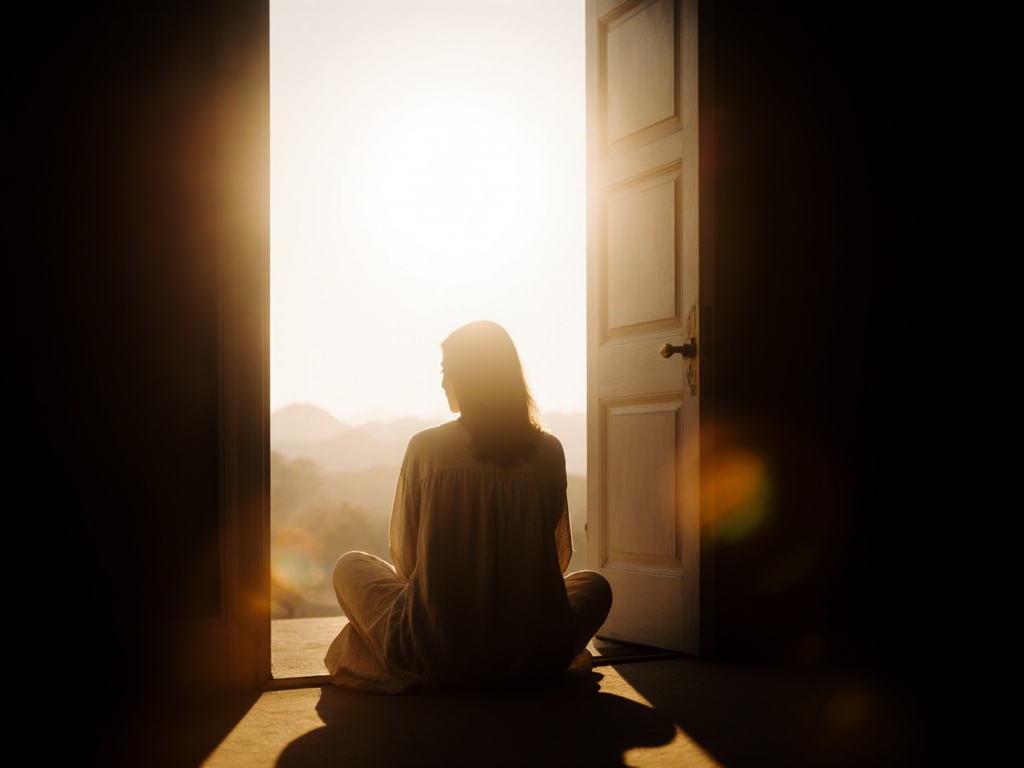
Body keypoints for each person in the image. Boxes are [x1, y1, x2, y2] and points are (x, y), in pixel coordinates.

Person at [324, 320, 612, 693]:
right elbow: (558, 560)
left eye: (447, 372)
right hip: (533, 650)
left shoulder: (425, 448)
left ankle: (425, 657)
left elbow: (406, 560)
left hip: (438, 649)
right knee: (596, 586)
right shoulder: (549, 451)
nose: (442, 383)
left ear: (468, 377)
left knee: (349, 566)